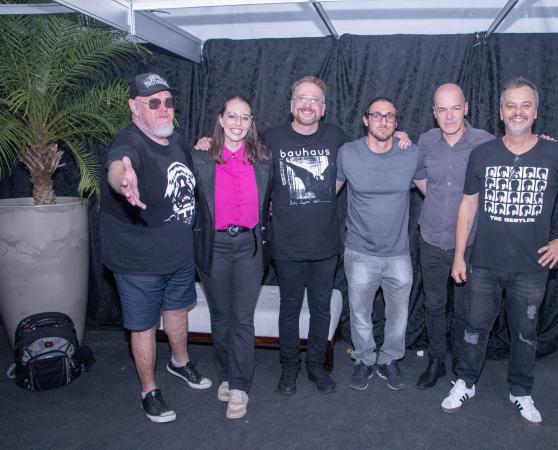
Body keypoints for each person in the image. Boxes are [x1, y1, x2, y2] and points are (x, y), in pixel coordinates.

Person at [444, 77, 558, 424]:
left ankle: (521, 390)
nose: (517, 112)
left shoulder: (554, 154)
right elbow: (468, 206)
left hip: (531, 268)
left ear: (535, 112)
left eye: (525, 105)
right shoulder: (482, 154)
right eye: (510, 105)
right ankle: (465, 382)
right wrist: (459, 255)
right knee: (474, 327)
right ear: (501, 112)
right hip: (484, 264)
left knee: (525, 334)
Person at [266, 76, 413, 395]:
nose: (307, 104)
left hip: (325, 244)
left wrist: (398, 135)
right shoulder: (271, 138)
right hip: (286, 242)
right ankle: (289, 367)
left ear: (324, 108)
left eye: (315, 99)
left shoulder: (338, 140)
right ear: (291, 104)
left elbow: (375, 140)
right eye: (301, 98)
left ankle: (316, 366)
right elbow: (238, 154)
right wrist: (208, 141)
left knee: (321, 309)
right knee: (289, 309)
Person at [100, 72, 211, 424]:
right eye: (153, 102)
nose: (163, 108)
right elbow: (119, 165)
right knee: (144, 325)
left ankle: (180, 362)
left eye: (168, 101)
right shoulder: (128, 141)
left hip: (178, 254)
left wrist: (204, 148)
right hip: (139, 261)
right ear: (134, 108)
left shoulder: (176, 140)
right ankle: (149, 389)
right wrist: (123, 180)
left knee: (177, 311)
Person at [336, 97, 427, 391]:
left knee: (398, 317)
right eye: (376, 115)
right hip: (359, 252)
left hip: (398, 253)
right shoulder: (348, 153)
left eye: (389, 116)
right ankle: (364, 359)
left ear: (396, 122)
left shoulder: (410, 154)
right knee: (360, 314)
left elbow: (434, 192)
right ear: (365, 119)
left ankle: (389, 359)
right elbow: (326, 193)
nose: (383, 121)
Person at [192, 96, 272, 419]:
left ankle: (240, 387)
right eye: (232, 116)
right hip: (215, 246)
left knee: (242, 319)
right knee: (221, 319)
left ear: (251, 122)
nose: (238, 123)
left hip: (250, 247)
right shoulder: (200, 157)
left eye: (245, 117)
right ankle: (225, 374)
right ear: (221, 119)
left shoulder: (264, 159)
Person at [415, 84, 494, 389]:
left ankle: (462, 364)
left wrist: (543, 143)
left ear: (466, 108)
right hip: (431, 238)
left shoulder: (485, 142)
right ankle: (436, 361)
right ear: (434, 113)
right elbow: (419, 178)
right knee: (434, 305)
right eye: (442, 109)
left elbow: (518, 152)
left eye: (455, 108)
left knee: (464, 309)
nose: (449, 116)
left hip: (470, 243)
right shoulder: (425, 142)